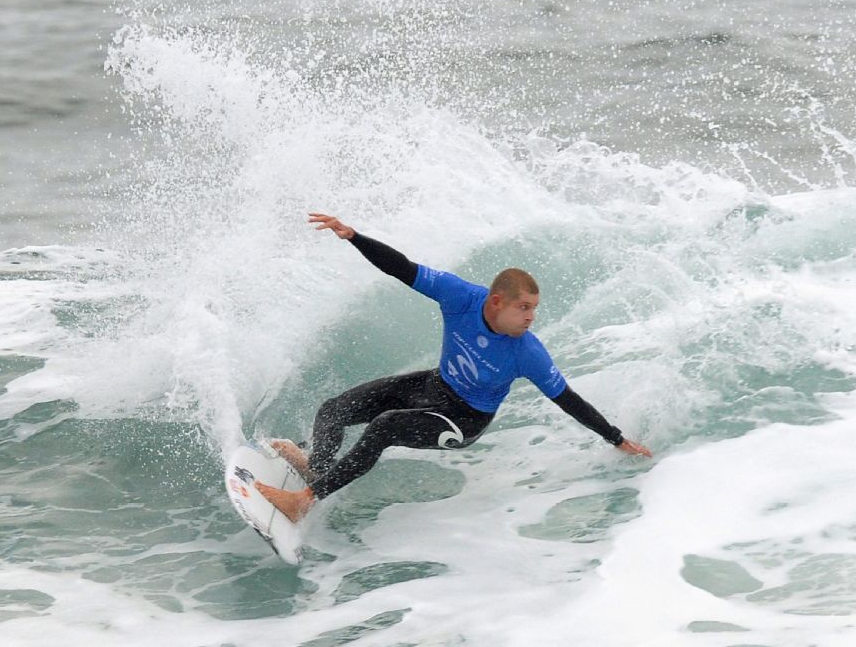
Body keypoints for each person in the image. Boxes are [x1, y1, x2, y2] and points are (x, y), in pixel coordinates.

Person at [257, 213, 653, 522]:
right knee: (334, 409)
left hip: (466, 418)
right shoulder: (461, 297)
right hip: (436, 385)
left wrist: (616, 438)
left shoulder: (526, 352)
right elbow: (402, 267)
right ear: (497, 302)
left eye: (534, 308)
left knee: (384, 427)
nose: (532, 317)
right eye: (524, 307)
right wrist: (354, 237)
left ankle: (303, 502)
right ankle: (318, 470)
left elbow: (567, 399)